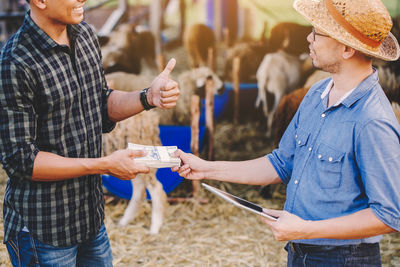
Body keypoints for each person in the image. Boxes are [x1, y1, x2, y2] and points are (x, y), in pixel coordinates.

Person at [173, 0, 400, 265]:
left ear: (347, 48)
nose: (308, 37)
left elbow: (388, 215)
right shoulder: (317, 93)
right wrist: (206, 169)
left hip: (344, 259)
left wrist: (306, 229)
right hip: (299, 252)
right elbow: (282, 163)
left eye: (317, 32)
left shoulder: (373, 120)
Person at [0, 0, 180, 266]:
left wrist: (146, 97)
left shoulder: (85, 35)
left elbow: (99, 101)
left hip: (90, 219)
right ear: (40, 1)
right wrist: (104, 165)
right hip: (45, 231)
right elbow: (21, 159)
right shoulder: (16, 60)